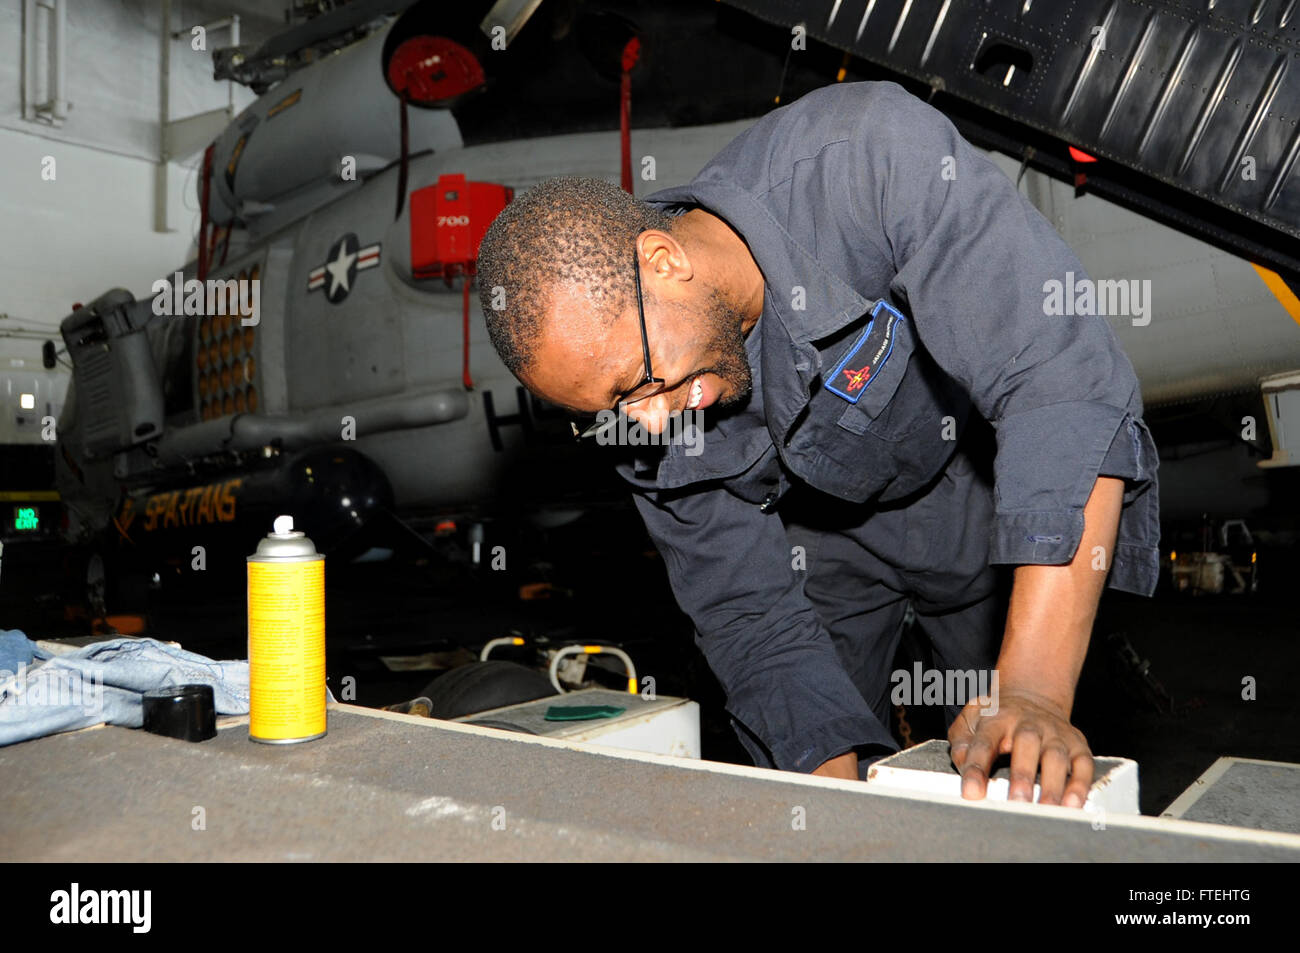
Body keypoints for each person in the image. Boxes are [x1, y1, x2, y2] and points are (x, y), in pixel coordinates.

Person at [475, 80, 1159, 806]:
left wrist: (1034, 691)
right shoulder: (645, 408)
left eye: (636, 382)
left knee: (1028, 768)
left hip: (982, 502)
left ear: (663, 261)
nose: (646, 423)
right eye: (612, 409)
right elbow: (745, 609)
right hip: (822, 549)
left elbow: (1057, 382)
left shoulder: (864, 157)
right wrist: (834, 809)